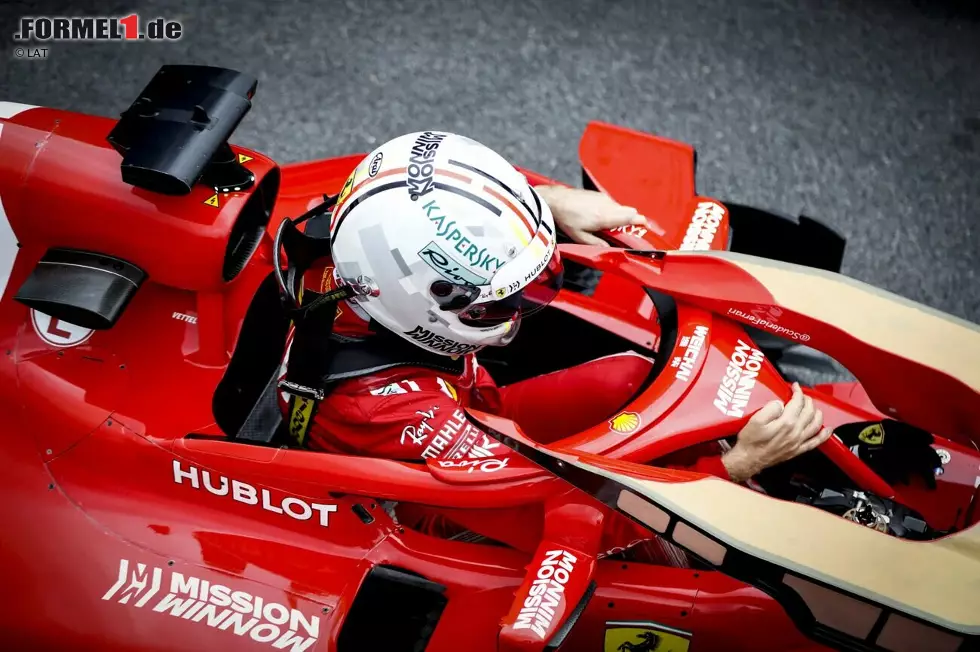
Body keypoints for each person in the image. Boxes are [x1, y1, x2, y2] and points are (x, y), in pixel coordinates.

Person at [279, 130, 830, 497]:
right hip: (452, 498)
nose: (520, 311)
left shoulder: (366, 220)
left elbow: (434, 178)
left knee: (628, 376)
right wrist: (729, 473)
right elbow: (540, 507)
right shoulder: (389, 414)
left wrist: (549, 200)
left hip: (468, 398)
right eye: (502, 300)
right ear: (427, 301)